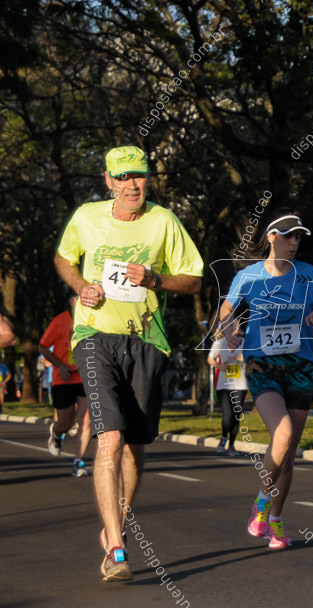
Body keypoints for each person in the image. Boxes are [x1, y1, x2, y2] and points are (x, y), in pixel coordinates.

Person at [54, 145, 203, 581]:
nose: (131, 184)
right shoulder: (86, 217)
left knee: (135, 449)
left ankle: (112, 525)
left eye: (139, 176)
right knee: (110, 440)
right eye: (122, 177)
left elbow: (193, 279)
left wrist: (155, 279)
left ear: (148, 178)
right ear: (108, 181)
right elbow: (65, 257)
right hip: (94, 336)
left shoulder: (164, 221)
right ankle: (117, 551)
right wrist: (81, 286)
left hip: (146, 341)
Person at [218, 209, 313, 550]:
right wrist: (231, 330)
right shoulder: (249, 277)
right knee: (280, 434)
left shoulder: (310, 276)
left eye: (298, 237)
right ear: (271, 238)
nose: (294, 242)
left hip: (300, 367)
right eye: (288, 236)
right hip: (262, 365)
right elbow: (224, 311)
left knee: (288, 450)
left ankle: (276, 520)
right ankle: (262, 504)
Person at [39, 295, 93, 475]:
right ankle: (56, 433)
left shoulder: (96, 319)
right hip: (64, 378)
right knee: (65, 423)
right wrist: (60, 365)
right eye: (78, 296)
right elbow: (43, 347)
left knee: (86, 422)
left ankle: (79, 462)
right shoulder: (60, 321)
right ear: (71, 300)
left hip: (86, 377)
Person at [207, 321, 247, 455]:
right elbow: (210, 359)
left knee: (236, 416)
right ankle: (223, 438)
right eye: (231, 326)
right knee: (227, 414)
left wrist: (241, 358)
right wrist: (219, 366)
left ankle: (232, 445)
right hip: (224, 384)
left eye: (236, 325)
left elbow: (251, 359)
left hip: (240, 384)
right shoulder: (220, 343)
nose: (234, 328)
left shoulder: (245, 342)